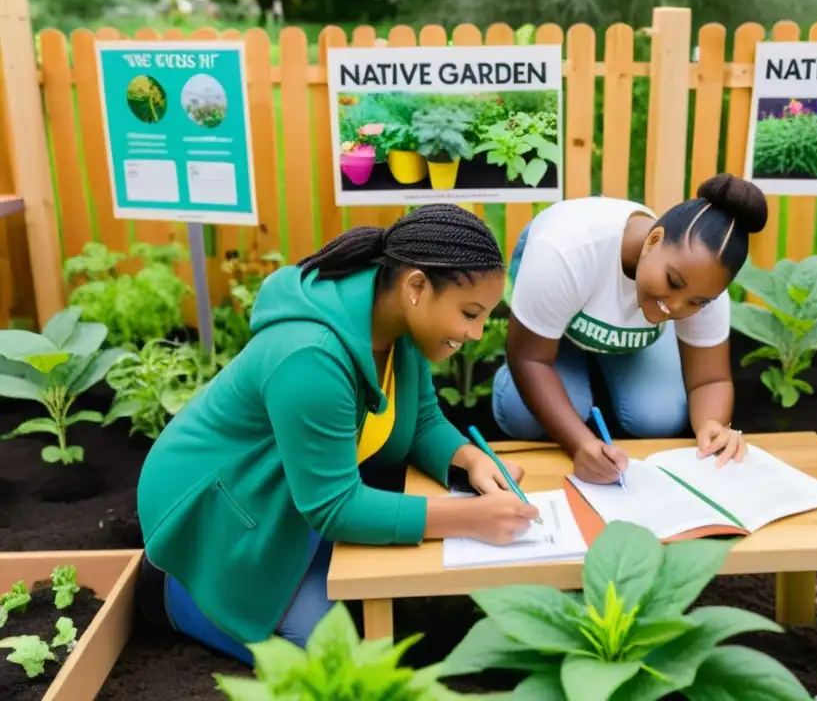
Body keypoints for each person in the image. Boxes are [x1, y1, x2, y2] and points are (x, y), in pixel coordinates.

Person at [135, 204, 537, 664]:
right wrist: (470, 518)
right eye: (469, 313)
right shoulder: (312, 357)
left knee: (377, 611)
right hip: (223, 514)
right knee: (328, 665)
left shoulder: (396, 328)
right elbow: (334, 506)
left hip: (297, 499)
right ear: (417, 287)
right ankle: (172, 593)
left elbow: (423, 420)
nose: (476, 332)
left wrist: (469, 459)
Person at [491, 173, 769, 484]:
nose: (676, 307)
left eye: (698, 302)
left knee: (658, 416)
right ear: (653, 240)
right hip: (556, 330)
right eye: (673, 282)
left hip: (619, 329)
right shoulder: (566, 250)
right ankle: (564, 361)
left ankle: (599, 366)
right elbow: (530, 359)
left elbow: (710, 379)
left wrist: (712, 425)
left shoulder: (703, 281)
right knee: (523, 414)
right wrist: (581, 444)